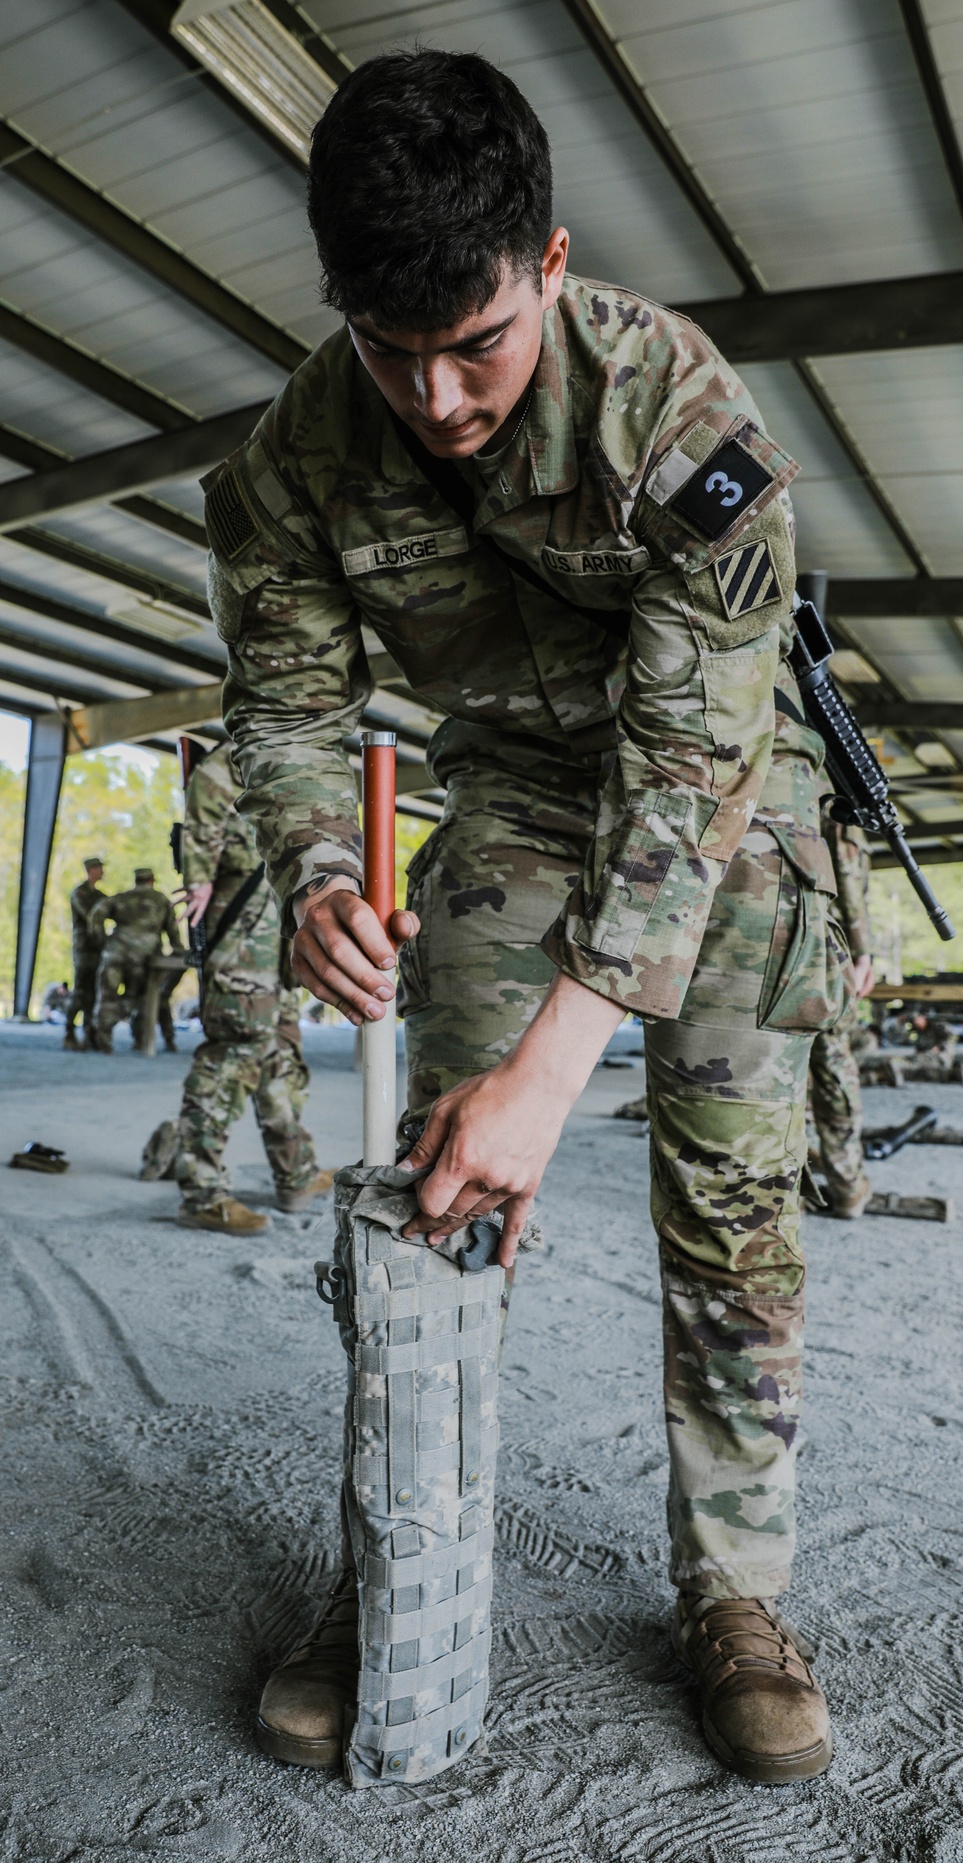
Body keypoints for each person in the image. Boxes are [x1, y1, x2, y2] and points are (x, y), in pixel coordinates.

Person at [207, 51, 851, 1785]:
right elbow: (277, 711)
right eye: (387, 346)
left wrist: (565, 1057)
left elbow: (691, 750)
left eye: (476, 344)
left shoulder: (685, 420)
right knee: (439, 1177)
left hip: (728, 806)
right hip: (513, 795)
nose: (435, 394)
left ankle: (734, 1594)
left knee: (726, 1198)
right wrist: (317, 875)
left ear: (550, 266)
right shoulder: (287, 464)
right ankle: (398, 1544)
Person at [174, 740, 333, 1233]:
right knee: (234, 1049)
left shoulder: (305, 747)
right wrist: (198, 876)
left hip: (276, 934)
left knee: (281, 1051)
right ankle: (202, 1192)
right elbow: (207, 793)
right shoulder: (244, 747)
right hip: (240, 930)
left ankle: (296, 1174)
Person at [809, 819, 874, 1217]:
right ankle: (847, 1184)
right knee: (833, 1066)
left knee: (783, 1074)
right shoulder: (831, 789)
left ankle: (785, 1190)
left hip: (771, 943)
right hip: (826, 954)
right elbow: (848, 877)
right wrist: (864, 949)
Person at [91, 868, 183, 1053]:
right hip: (143, 957)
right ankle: (140, 1039)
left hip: (115, 953)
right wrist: (178, 950)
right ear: (151, 880)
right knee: (140, 997)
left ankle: (103, 1038)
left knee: (107, 995)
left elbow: (96, 913)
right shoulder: (160, 900)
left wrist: (101, 941)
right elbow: (172, 930)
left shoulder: (121, 898)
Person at [65, 856, 106, 1049]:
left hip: (97, 947)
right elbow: (91, 915)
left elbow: (111, 907)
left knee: (93, 992)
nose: (102, 872)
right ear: (91, 870)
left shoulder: (98, 895)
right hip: (84, 948)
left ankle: (89, 1034)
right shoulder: (80, 893)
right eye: (99, 868)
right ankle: (69, 1031)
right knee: (81, 990)